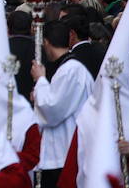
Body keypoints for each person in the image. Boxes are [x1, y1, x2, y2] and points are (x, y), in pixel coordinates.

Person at [31, 20, 93, 188]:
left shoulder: (71, 70)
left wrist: (41, 81)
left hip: (63, 151)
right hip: (60, 151)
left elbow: (52, 111)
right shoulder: (68, 68)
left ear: (46, 42)